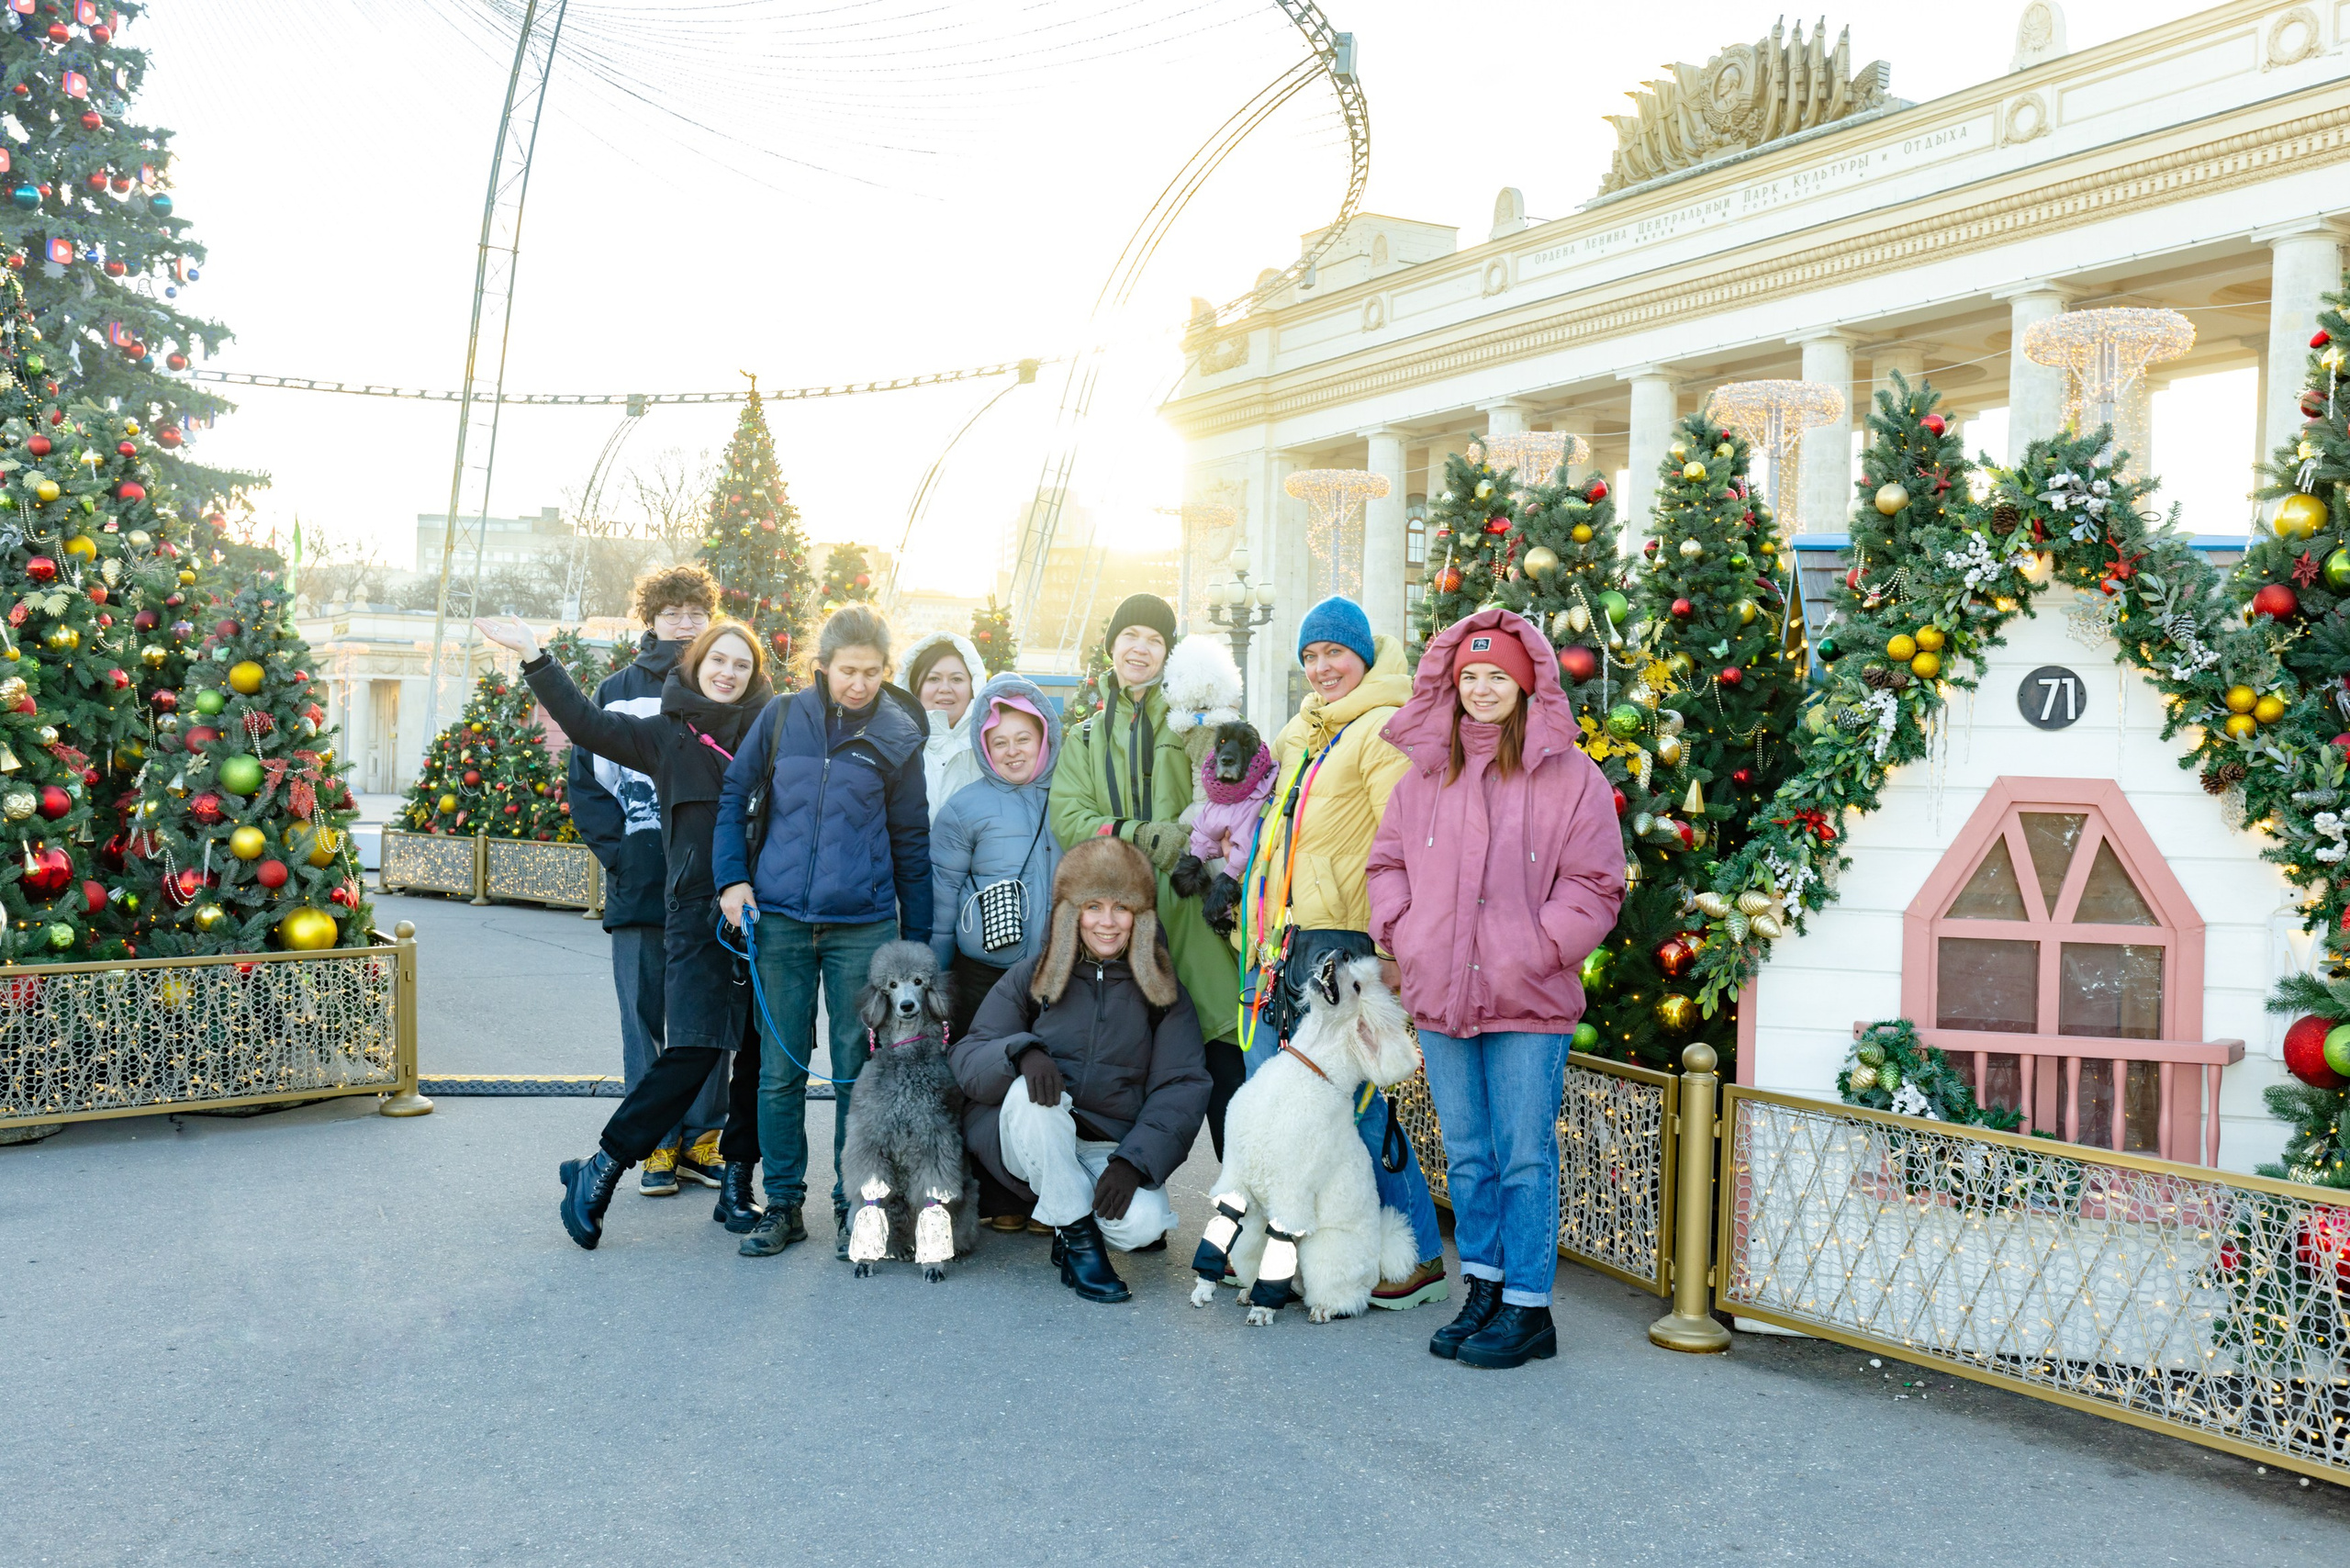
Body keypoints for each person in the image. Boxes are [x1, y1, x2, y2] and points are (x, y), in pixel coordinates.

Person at [1368, 608, 1626, 1370]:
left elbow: (1596, 883)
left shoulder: (1571, 777)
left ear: (1525, 684)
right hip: (1442, 993)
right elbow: (1388, 865)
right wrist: (1406, 932)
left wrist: (1537, 948)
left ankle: (1528, 1306)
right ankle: (1483, 1285)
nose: (1482, 689)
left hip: (1528, 999)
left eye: (1497, 677)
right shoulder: (1425, 777)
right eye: (1470, 676)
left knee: (1523, 1156)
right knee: (1468, 1154)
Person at [469, 613, 776, 1251]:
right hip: (698, 917)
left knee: (758, 1053)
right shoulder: (666, 734)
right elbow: (586, 724)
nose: (728, 673)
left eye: (741, 665)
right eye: (718, 661)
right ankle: (602, 1167)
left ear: (754, 676)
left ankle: (736, 1184)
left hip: (766, 914)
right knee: (692, 1050)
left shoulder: (772, 734)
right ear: (696, 666)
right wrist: (535, 657)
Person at [1234, 596, 1449, 1309]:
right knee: (1284, 1102)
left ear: (1362, 655)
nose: (1322, 667)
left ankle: (1416, 1254)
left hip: (1345, 944)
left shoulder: (1381, 728)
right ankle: (1285, 1252)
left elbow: (1406, 844)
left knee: (1354, 1106)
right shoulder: (1305, 734)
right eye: (1311, 656)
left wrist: (1391, 947)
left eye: (1334, 653)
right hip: (1288, 940)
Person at [713, 604, 931, 1260]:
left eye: (872, 672)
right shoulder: (782, 717)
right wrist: (732, 880)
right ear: (823, 667)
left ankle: (853, 1206)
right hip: (778, 922)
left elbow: (911, 842)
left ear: (885, 670)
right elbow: (734, 796)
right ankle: (783, 1205)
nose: (859, 684)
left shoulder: (898, 737)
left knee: (856, 1075)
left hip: (861, 928)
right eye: (847, 671)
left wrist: (917, 945)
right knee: (778, 1072)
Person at [953, 836, 1210, 1304]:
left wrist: (1135, 1162)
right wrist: (1022, 1053)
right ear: (1071, 913)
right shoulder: (1032, 975)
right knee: (1035, 1096)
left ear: (1140, 916)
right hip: (1029, 1136)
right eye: (1093, 906)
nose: (1107, 922)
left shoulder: (1163, 993)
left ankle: (1066, 1220)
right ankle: (1079, 1236)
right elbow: (969, 1057)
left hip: (1107, 1145)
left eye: (1121, 907)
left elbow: (1182, 1085)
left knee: (1144, 1224)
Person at [1048, 593, 1242, 1153]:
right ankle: (1127, 1185)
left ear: (1168, 654)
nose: (1141, 648)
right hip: (1117, 919)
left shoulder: (1190, 719)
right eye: (1130, 634)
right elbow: (1070, 818)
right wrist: (1139, 834)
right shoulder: (1085, 737)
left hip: (1189, 905)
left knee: (1223, 1046)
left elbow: (1229, 790)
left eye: (1155, 639)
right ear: (1112, 644)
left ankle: (1242, 1186)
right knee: (1126, 1056)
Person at [566, 565, 734, 1198]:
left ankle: (703, 1137)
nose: (685, 623)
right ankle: (655, 1144)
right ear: (651, 619)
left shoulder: (727, 688)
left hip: (710, 885)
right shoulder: (617, 690)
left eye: (696, 612)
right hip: (641, 883)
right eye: (673, 612)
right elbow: (588, 785)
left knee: (711, 1014)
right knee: (643, 1016)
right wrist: (624, 855)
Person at [928, 672, 1062, 1042]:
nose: (1012, 751)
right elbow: (942, 899)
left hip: (1061, 971)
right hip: (985, 974)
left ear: (1044, 738)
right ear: (985, 749)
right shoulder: (964, 808)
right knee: (982, 1063)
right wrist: (937, 976)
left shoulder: (1072, 799)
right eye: (999, 742)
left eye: (1023, 739)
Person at [897, 630, 990, 825]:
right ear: (915, 687)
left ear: (973, 686)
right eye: (933, 679)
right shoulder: (893, 746)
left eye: (957, 679)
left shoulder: (991, 747)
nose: (945, 688)